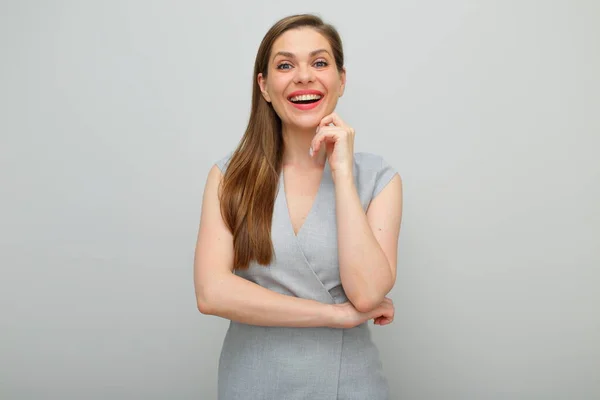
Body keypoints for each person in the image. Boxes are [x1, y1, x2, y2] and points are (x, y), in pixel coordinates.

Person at [194, 13, 403, 400]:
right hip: (252, 384)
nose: (304, 76)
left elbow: (368, 293)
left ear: (341, 79)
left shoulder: (378, 179)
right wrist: (333, 315)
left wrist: (341, 174)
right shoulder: (229, 177)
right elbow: (212, 293)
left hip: (350, 386)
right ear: (265, 86)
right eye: (285, 65)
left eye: (320, 63)